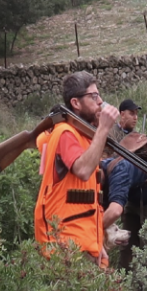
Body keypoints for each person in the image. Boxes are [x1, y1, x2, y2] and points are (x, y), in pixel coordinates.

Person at [34, 71, 119, 267]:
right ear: (75, 103)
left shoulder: (83, 136)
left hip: (83, 240)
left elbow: (88, 198)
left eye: (99, 95)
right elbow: (82, 170)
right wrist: (103, 129)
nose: (100, 102)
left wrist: (98, 241)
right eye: (93, 96)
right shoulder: (66, 132)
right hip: (67, 244)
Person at [100, 149, 147, 270]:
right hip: (134, 195)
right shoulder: (99, 176)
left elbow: (115, 211)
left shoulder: (119, 171)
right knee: (127, 242)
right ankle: (122, 283)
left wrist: (93, 232)